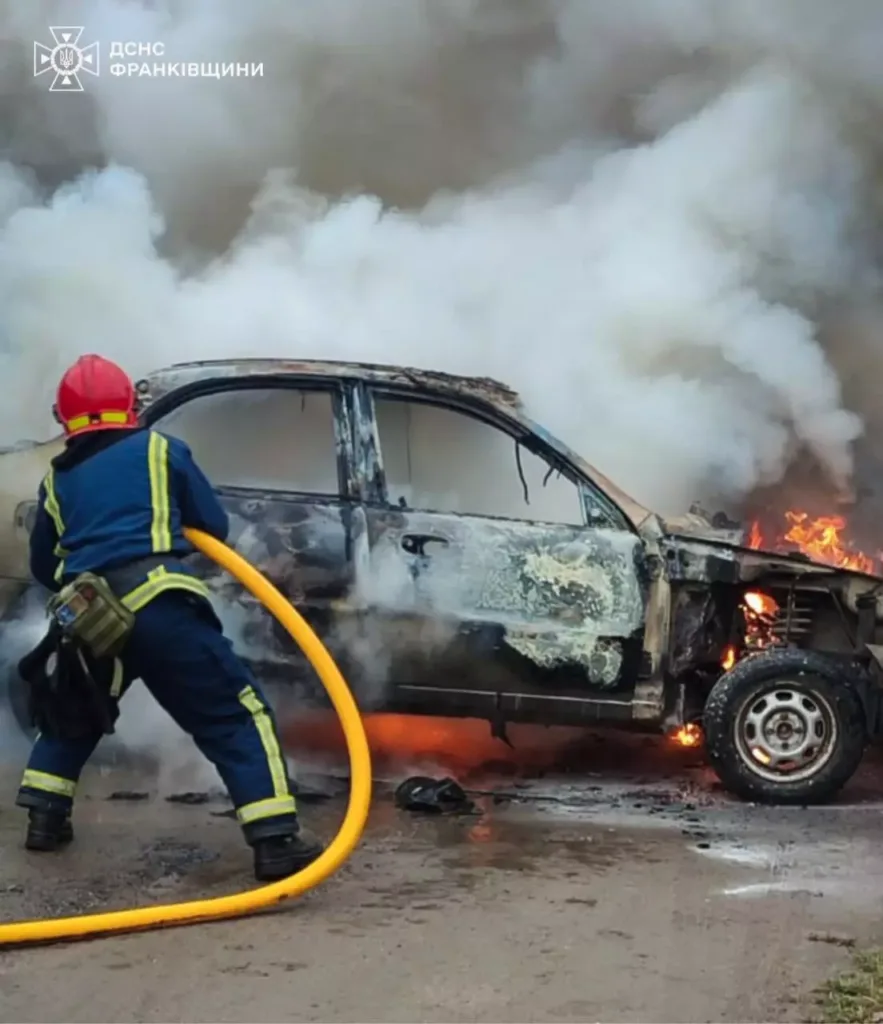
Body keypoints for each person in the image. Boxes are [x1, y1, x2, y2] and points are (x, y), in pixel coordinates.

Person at [16, 353, 324, 882]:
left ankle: (45, 822)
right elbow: (213, 524)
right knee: (235, 714)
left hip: (92, 617)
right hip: (160, 606)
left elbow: (45, 565)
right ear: (128, 408)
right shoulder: (161, 449)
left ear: (62, 415)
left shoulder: (57, 480)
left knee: (76, 710)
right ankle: (276, 843)